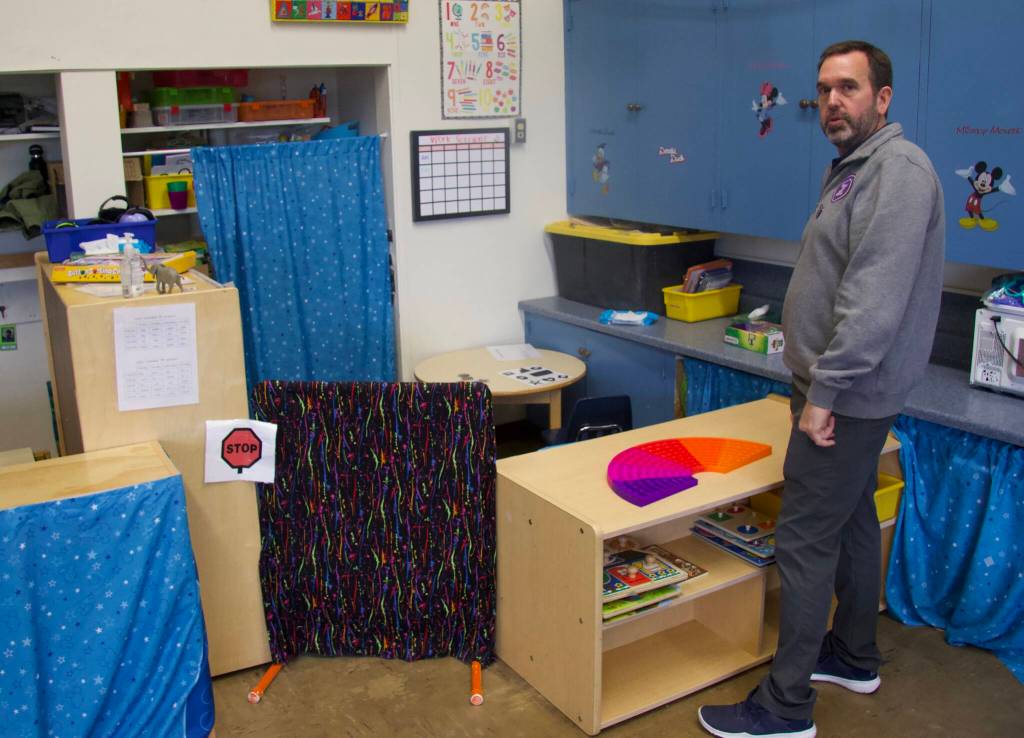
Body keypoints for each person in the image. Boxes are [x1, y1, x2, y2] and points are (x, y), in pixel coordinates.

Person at [697, 40, 945, 738]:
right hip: (838, 389)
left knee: (805, 539)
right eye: (824, 90)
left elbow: (872, 303)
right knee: (854, 520)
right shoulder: (855, 169)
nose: (833, 102)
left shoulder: (898, 172)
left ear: (882, 98)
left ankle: (785, 707)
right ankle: (854, 655)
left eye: (849, 88)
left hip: (846, 397)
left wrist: (826, 394)